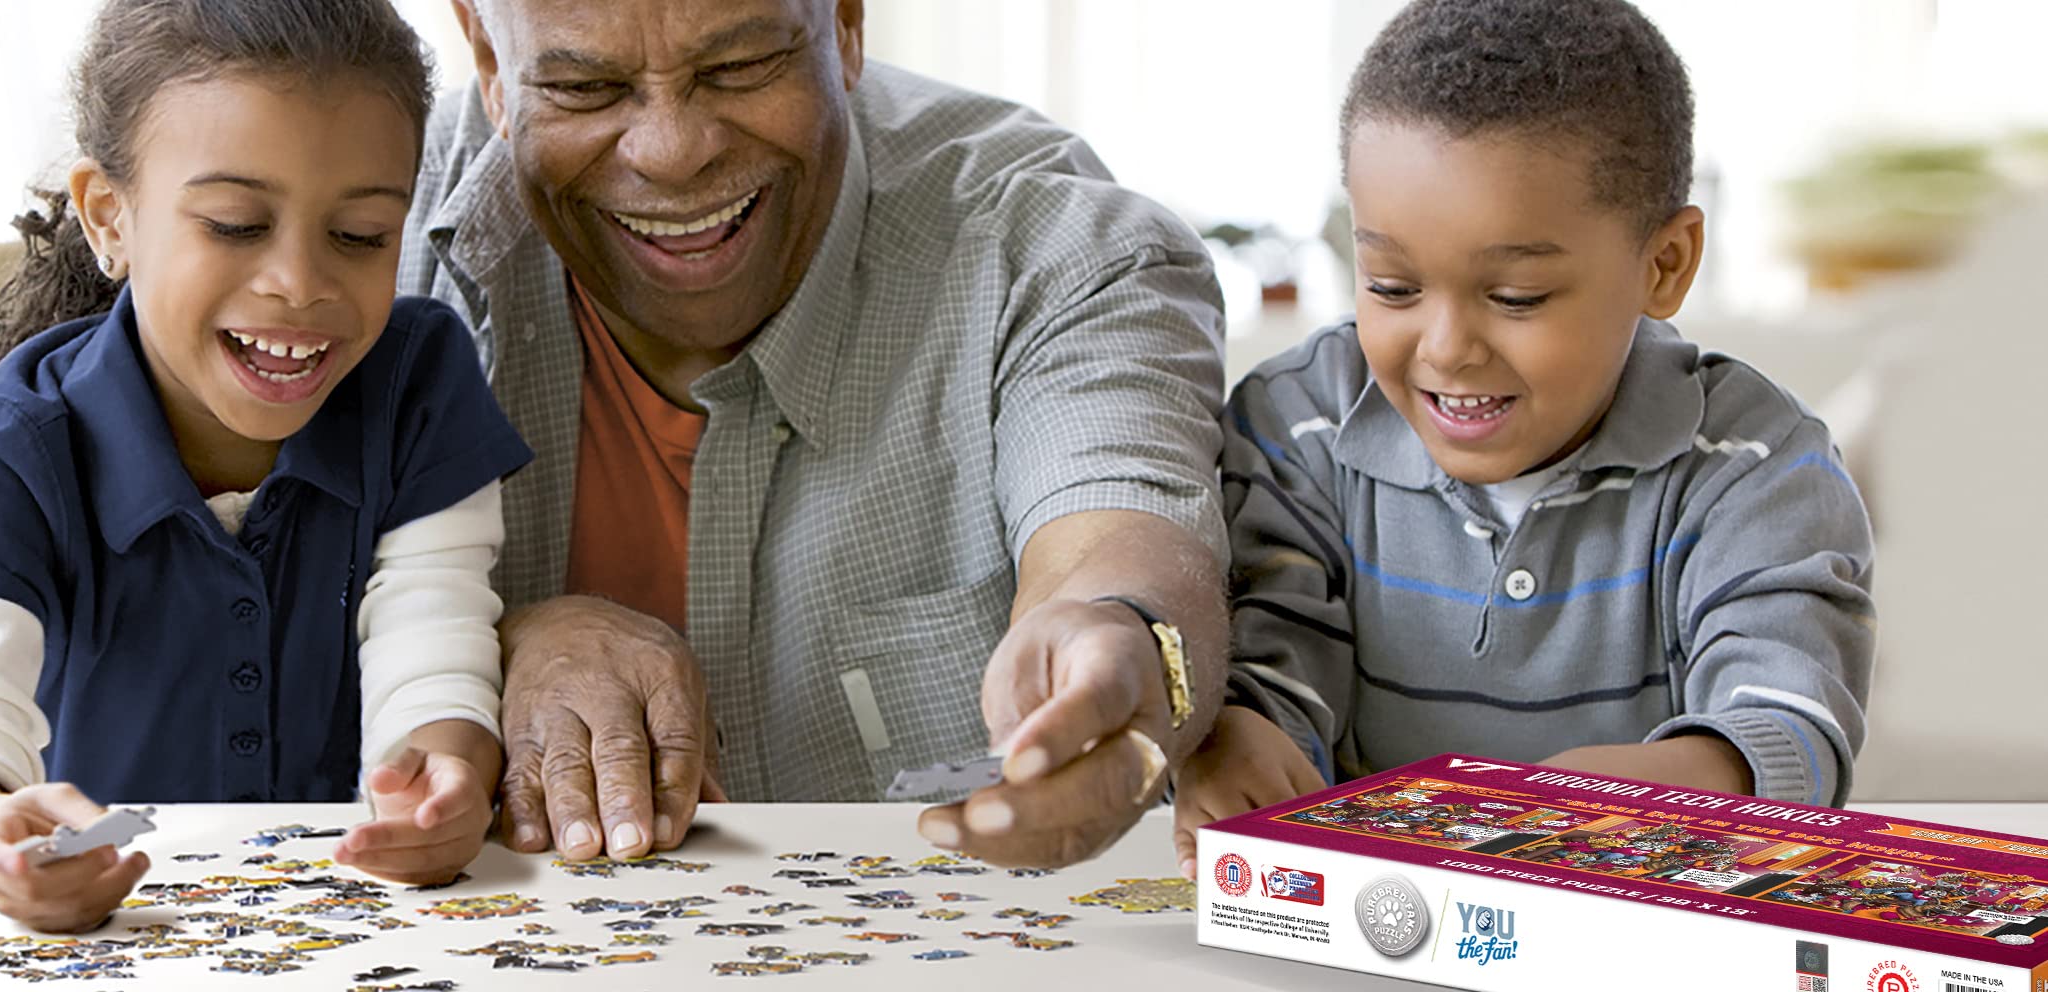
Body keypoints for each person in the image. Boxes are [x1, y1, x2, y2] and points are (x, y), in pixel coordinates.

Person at [404, 0, 1230, 869]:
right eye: (583, 86)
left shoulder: (1051, 244)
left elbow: (1117, 540)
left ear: (844, 23)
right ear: (489, 61)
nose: (673, 151)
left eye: (739, 67)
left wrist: (1124, 645)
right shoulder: (344, 224)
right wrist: (484, 644)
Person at [0, 0, 531, 932]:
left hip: (361, 928)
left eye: (362, 235)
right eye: (233, 223)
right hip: (113, 938)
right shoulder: (8, 451)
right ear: (110, 217)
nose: (299, 282)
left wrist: (443, 777)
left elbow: (434, 647)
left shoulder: (419, 384)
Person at [1174, 0, 1875, 874]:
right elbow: (1274, 644)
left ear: (1664, 265)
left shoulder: (1755, 464)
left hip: (1635, 920)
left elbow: (1786, 707)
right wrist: (1238, 733)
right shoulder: (1296, 425)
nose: (1445, 348)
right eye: (1392, 286)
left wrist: (1687, 779)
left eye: (1515, 298)